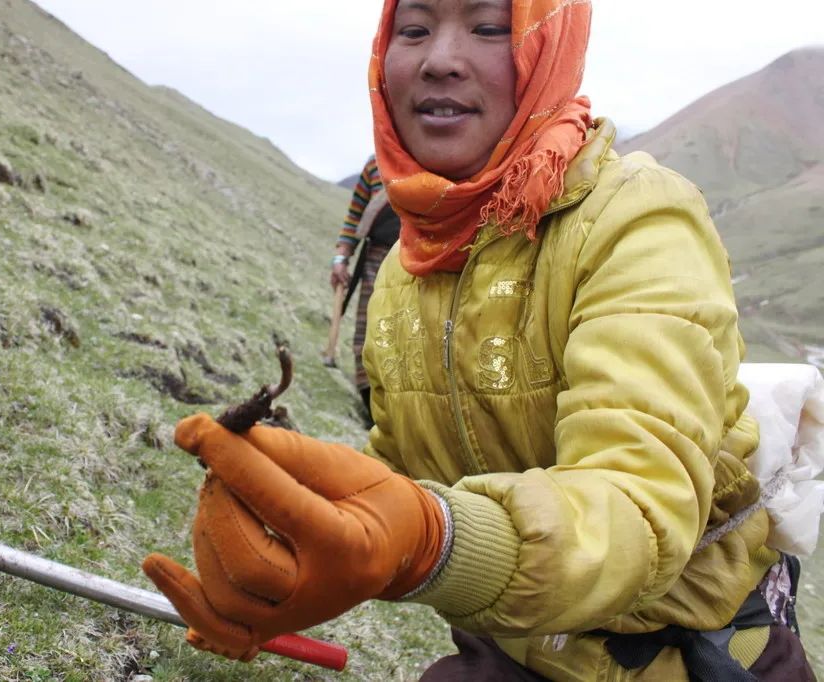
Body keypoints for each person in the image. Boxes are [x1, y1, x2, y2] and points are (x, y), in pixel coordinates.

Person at [143, 0, 817, 679]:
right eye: (414, 29)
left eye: (489, 27)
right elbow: (406, 470)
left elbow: (637, 509)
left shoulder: (639, 219)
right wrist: (291, 546)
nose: (439, 59)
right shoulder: (413, 268)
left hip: (694, 659)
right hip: (516, 650)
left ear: (548, 51)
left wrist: (429, 539)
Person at [330, 155, 402, 420]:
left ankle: (397, 413)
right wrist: (341, 258)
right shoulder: (375, 165)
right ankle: (370, 406)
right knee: (368, 331)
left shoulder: (430, 158)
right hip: (376, 259)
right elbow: (354, 217)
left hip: (417, 261)